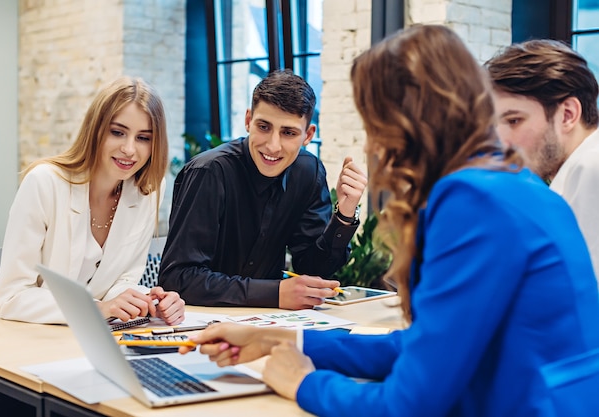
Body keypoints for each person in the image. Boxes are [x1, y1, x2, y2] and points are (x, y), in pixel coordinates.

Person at [178, 25, 599, 416]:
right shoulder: (517, 183)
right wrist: (283, 339)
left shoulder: (471, 199)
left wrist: (304, 382)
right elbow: (425, 346)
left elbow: (409, 404)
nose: (372, 144)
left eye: (372, 123)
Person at [0, 76, 185, 325]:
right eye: (118, 132)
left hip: (80, 337)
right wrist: (98, 309)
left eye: (143, 138)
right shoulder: (44, 182)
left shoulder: (146, 192)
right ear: (95, 130)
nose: (129, 149)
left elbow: (120, 282)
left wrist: (145, 301)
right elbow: (11, 297)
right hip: (6, 336)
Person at [159, 69, 368, 309]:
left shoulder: (308, 172)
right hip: (198, 320)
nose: (273, 146)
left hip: (270, 322)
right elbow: (177, 279)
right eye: (264, 127)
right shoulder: (209, 172)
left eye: (288, 133)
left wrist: (345, 214)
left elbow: (312, 269)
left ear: (308, 135)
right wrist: (274, 293)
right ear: (248, 120)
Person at [485, 40, 599, 280]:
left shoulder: (591, 167)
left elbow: (581, 298)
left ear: (567, 114)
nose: (501, 141)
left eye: (514, 121)